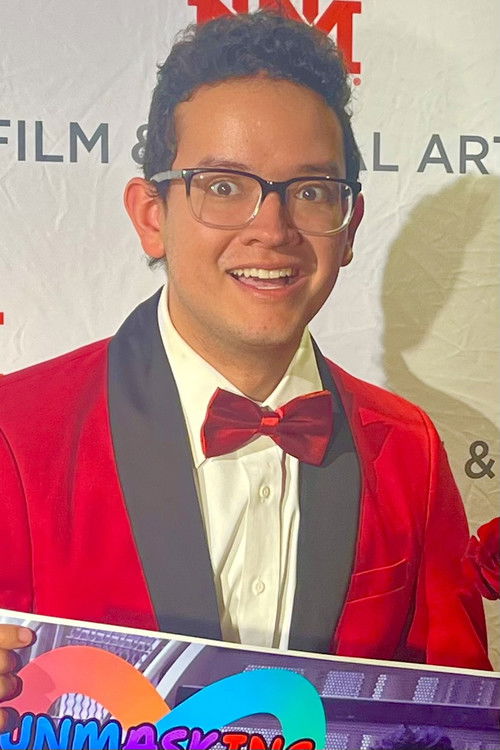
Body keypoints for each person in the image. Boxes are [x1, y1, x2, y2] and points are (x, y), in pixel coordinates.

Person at [0, 10, 490, 729]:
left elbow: (452, 718)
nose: (273, 228)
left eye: (311, 190)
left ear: (351, 226)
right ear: (152, 215)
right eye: (224, 186)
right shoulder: (15, 432)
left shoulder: (407, 449)